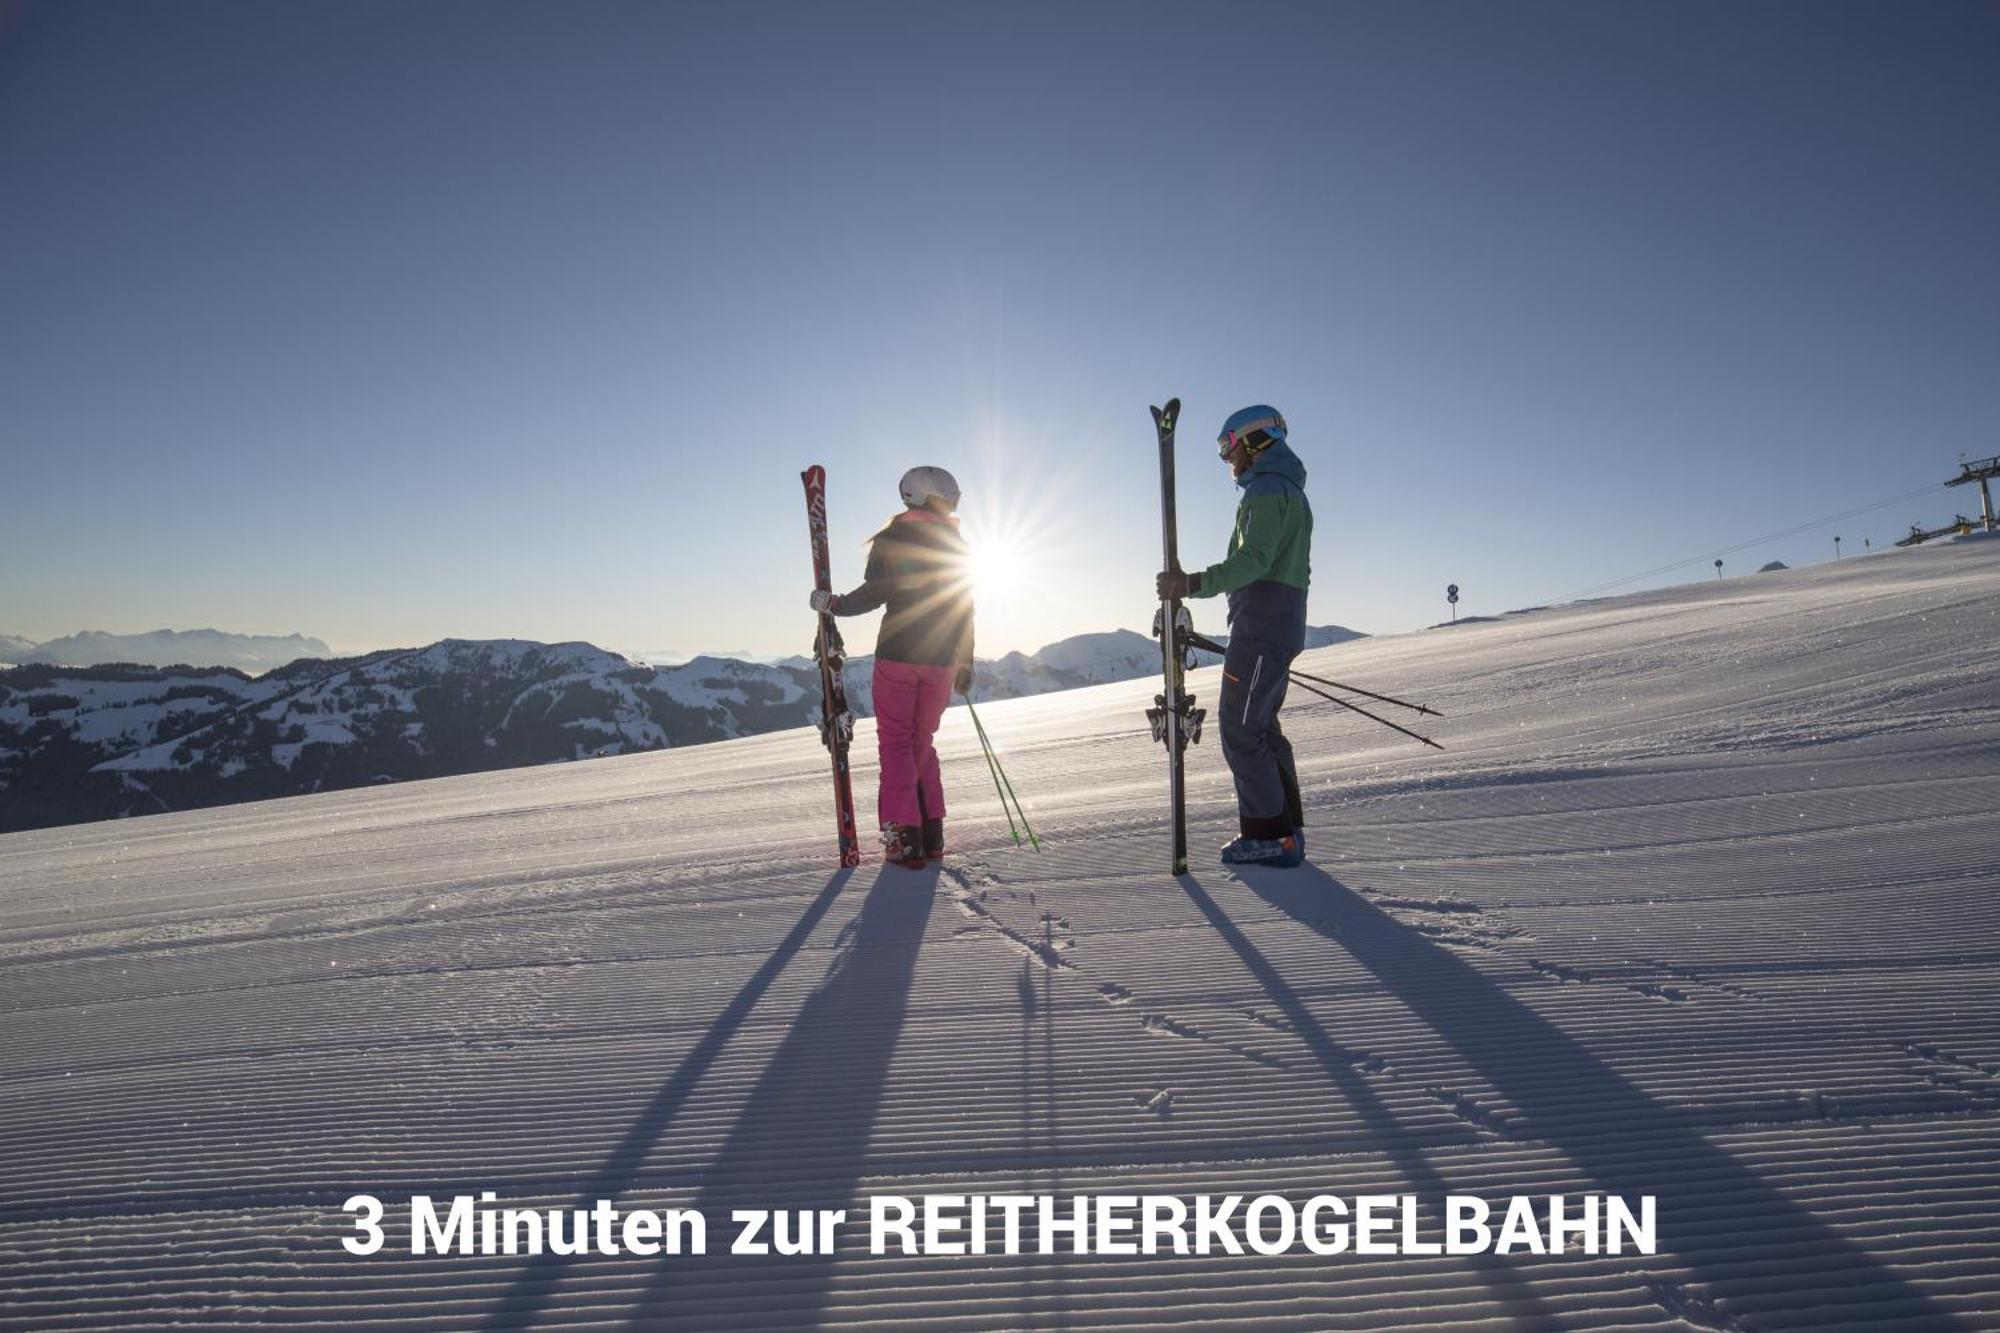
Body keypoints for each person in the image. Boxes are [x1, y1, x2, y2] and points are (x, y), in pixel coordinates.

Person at [1155, 405, 1313, 868]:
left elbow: (1256, 559)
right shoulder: (1289, 492)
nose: (1227, 458)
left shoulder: (1265, 490)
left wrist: (1192, 584)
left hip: (1262, 627)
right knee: (1262, 728)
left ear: (1256, 440)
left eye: (1229, 445)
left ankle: (1271, 837)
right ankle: (1286, 828)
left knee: (1240, 730)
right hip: (1275, 624)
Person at [810, 466, 975, 869]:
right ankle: (930, 832)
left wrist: (833, 604)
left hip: (899, 655)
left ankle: (904, 836)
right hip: (940, 660)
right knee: (921, 743)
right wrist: (965, 659)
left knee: (897, 744)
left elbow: (876, 592)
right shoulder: (957, 543)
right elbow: (964, 606)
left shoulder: (894, 538)